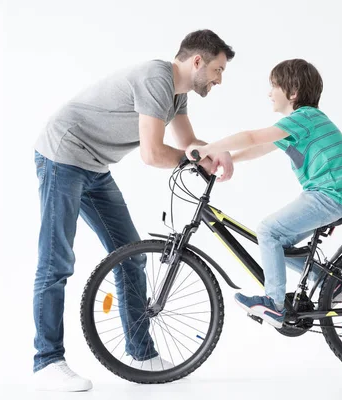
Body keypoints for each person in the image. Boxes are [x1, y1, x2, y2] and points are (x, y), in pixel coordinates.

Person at [32, 29, 235, 391]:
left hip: (94, 166)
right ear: (197, 61)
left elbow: (188, 144)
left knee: (131, 256)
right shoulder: (156, 78)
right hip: (62, 157)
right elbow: (153, 154)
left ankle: (141, 352)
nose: (220, 80)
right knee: (56, 261)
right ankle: (47, 360)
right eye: (218, 70)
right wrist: (196, 158)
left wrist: (219, 150)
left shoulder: (177, 94)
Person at [186, 59, 342, 329]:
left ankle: (274, 303)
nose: (269, 93)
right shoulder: (301, 124)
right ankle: (328, 283)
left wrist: (210, 149)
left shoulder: (304, 118)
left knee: (268, 232)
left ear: (293, 92)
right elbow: (258, 149)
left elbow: (253, 137)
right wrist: (226, 160)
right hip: (330, 195)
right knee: (278, 242)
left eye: (274, 86)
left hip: (328, 195)